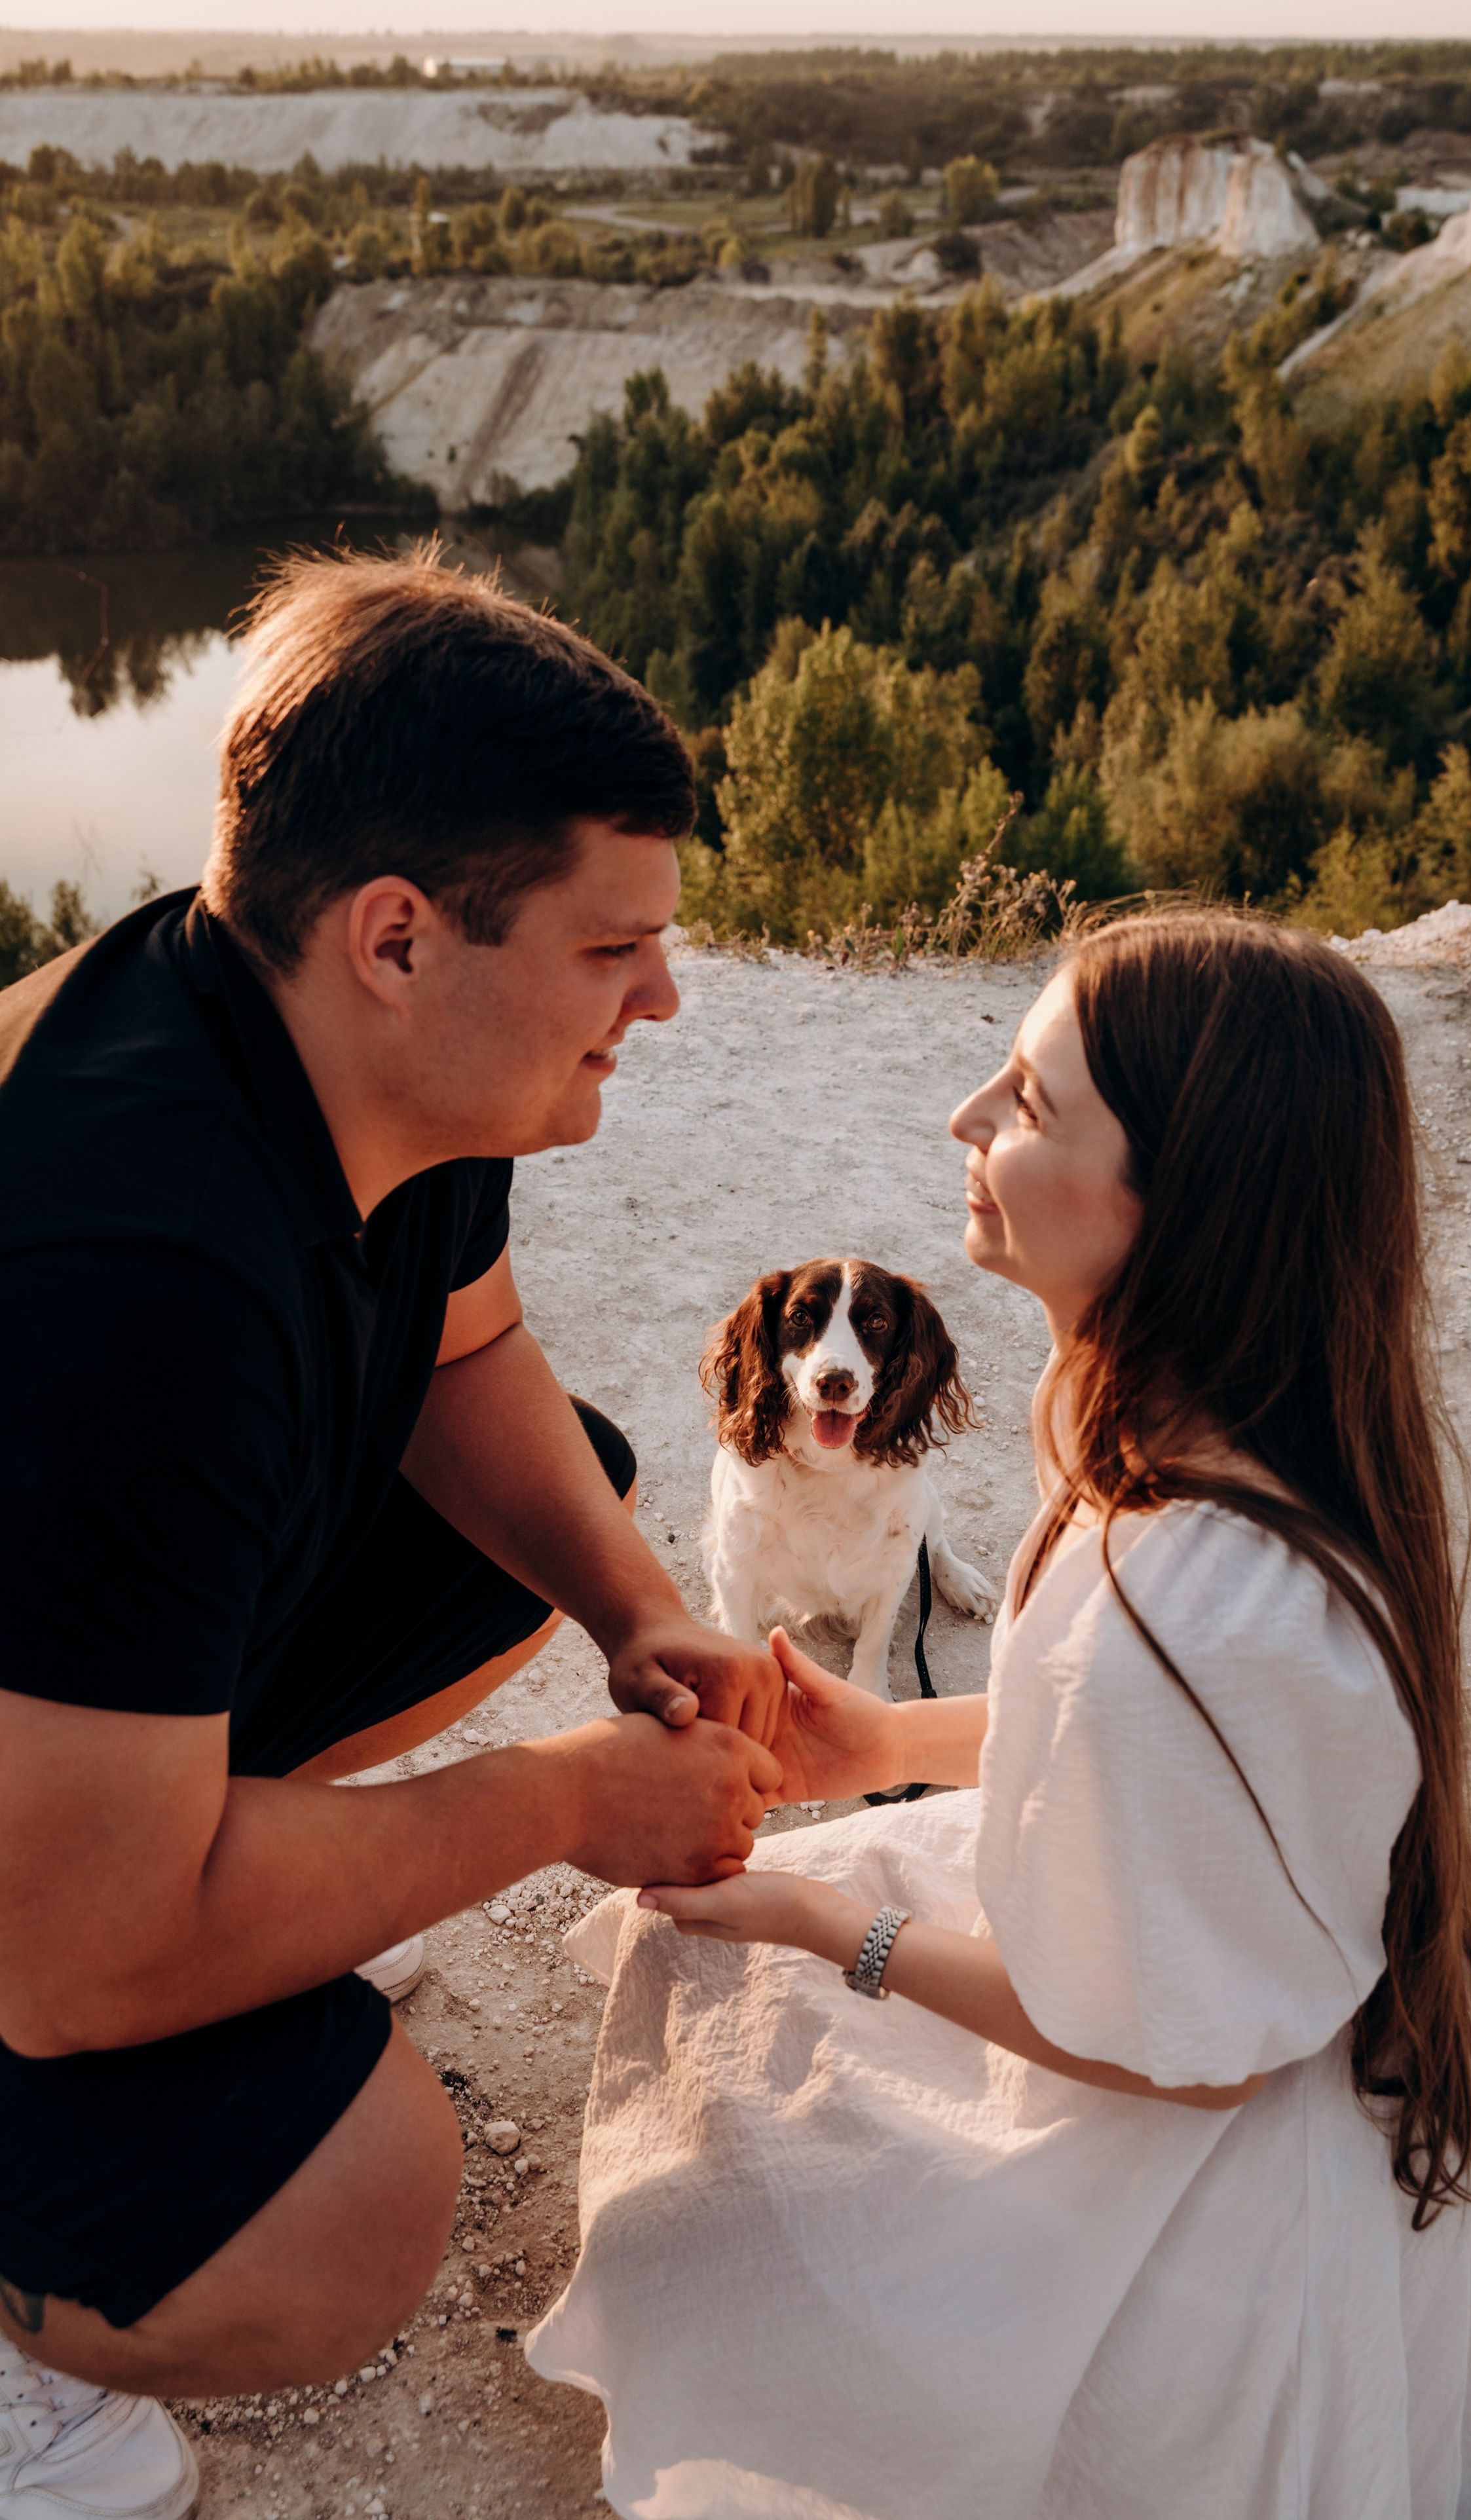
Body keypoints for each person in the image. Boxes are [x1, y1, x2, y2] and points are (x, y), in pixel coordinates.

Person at [525, 912, 1471, 2520]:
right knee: (700, 1991)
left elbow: (1177, 2061)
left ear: (1173, 1199)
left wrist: (819, 1921)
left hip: (1191, 2143)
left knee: (697, 2209)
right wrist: (879, 1745)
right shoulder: (1193, 1417)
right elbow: (1101, 1744)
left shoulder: (1199, 1603)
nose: (963, 1122)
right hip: (1194, 1981)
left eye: (1023, 1098)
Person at [0, 550, 785, 2520]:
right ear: (398, 936)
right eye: (614, 950)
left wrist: (641, 1612)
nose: (666, 1000)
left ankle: (201, 1854)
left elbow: (462, 1353)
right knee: (355, 2209)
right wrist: (564, 1806)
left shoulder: (335, 1054)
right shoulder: (139, 1279)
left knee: (557, 1509)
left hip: (50, 1722)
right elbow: (73, 1969)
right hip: (38, 1914)